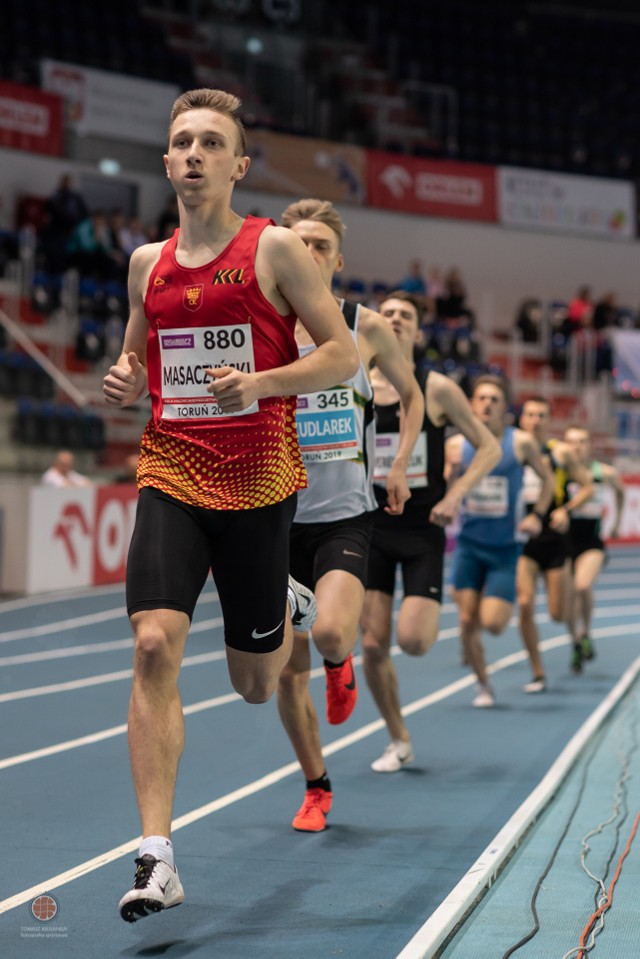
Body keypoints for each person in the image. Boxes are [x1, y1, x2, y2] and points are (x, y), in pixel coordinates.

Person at [102, 89, 359, 922]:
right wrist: (123, 377)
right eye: (182, 142)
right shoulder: (147, 264)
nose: (194, 154)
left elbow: (344, 355)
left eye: (213, 142)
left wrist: (263, 382)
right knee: (150, 644)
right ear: (168, 161)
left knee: (255, 685)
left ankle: (283, 605)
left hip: (258, 483)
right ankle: (157, 854)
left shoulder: (276, 248)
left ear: (238, 165)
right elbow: (137, 357)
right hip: (172, 469)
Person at [276, 200, 425, 831]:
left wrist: (398, 465)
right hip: (274, 519)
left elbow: (412, 396)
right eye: (297, 241)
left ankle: (342, 669)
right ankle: (316, 786)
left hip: (344, 516)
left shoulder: (365, 329)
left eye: (319, 244)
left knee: (334, 634)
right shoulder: (267, 326)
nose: (307, 251)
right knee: (285, 670)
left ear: (338, 260)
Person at [360, 292, 501, 772]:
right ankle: (398, 738)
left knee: (414, 642)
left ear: (419, 333)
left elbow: (488, 448)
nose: (395, 320)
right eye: (388, 314)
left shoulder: (436, 387)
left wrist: (454, 496)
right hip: (370, 526)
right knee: (373, 645)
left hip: (422, 531)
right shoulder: (354, 382)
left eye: (406, 317)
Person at [446, 376, 555, 708]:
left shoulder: (520, 443)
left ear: (504, 407)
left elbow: (548, 480)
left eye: (494, 398)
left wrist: (537, 515)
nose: (487, 403)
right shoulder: (456, 445)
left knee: (492, 624)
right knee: (466, 621)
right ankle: (484, 685)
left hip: (505, 549)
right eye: (481, 397)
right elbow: (447, 484)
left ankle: (475, 637)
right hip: (468, 545)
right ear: (471, 403)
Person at [516, 397, 594, 693]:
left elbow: (587, 484)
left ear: (549, 421)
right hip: (523, 540)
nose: (535, 420)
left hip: (554, 539)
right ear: (522, 418)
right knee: (524, 604)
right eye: (530, 414)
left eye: (542, 415)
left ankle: (576, 637)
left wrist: (567, 510)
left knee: (558, 614)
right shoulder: (509, 448)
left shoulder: (560, 453)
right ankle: (538, 673)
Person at [563, 425, 625, 671]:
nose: (577, 447)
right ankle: (575, 642)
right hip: (564, 541)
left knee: (582, 585)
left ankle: (585, 632)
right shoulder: (560, 472)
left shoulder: (604, 473)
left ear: (590, 445)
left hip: (591, 541)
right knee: (567, 599)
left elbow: (620, 491)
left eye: (582, 442)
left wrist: (617, 523)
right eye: (571, 442)